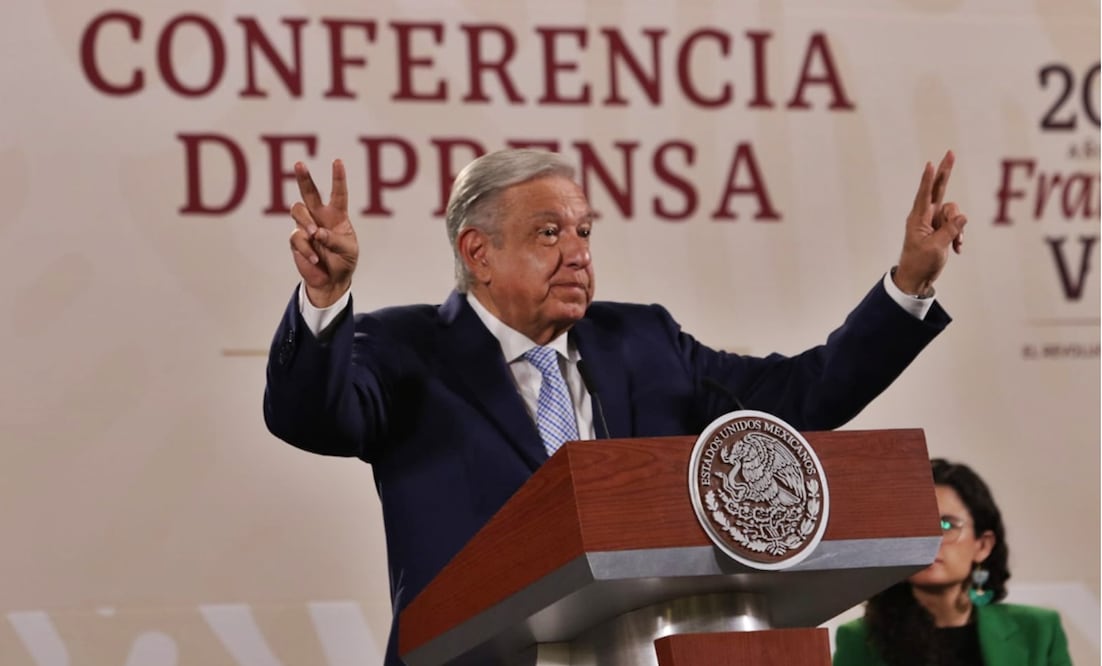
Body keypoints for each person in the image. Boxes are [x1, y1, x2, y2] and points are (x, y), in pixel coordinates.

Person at [264, 148, 967, 665]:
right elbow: (312, 417)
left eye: (584, 232)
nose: (577, 254)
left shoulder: (643, 340)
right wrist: (327, 303)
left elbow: (800, 397)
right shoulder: (406, 348)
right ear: (478, 251)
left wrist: (908, 285)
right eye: (549, 233)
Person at [833, 458, 1073, 666]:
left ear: (983, 545)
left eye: (946, 525)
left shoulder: (1039, 630)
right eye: (916, 526)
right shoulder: (860, 639)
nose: (929, 540)